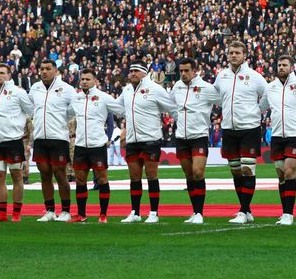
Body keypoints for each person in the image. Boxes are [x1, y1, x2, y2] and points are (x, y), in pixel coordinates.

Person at [213, 41, 269, 224]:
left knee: (247, 169)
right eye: (231, 52)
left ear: (245, 55)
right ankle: (247, 210)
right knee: (236, 171)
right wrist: (225, 108)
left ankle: (243, 211)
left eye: (237, 52)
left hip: (249, 128)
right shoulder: (222, 76)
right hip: (229, 128)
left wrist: (257, 110)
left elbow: (268, 94)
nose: (233, 55)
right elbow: (216, 96)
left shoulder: (254, 76)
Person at [115, 60, 177, 223]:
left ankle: (154, 212)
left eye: (136, 70)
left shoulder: (155, 89)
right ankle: (135, 212)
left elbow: (171, 107)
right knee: (134, 177)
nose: (132, 74)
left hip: (150, 139)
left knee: (151, 175)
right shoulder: (127, 90)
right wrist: (124, 128)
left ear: (144, 72)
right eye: (131, 71)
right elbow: (118, 108)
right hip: (132, 140)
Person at [261, 55, 296, 225]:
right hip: (277, 135)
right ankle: (284, 211)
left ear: (292, 67)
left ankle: (288, 214)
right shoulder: (270, 87)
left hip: (295, 135)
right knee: (280, 174)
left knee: (289, 171)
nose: (281, 67)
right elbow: (261, 107)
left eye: (285, 65)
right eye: (279, 65)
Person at [68, 68, 123, 223]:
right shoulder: (76, 98)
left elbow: (120, 110)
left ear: (95, 81)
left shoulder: (104, 97)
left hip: (97, 145)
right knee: (80, 180)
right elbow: (66, 114)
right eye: (82, 79)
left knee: (102, 179)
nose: (84, 81)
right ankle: (81, 214)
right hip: (80, 145)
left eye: (88, 79)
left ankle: (103, 214)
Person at [171, 58, 220, 224]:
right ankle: (194, 211)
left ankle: (199, 213)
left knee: (198, 172)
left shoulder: (206, 87)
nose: (183, 74)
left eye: (186, 70)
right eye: (181, 71)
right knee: (189, 174)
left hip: (199, 136)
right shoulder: (177, 87)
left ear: (194, 71)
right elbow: (171, 105)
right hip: (181, 137)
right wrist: (177, 117)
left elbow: (223, 101)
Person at [29, 59, 77, 222]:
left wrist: (61, 119)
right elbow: (30, 107)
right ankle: (50, 210)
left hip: (58, 137)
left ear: (56, 71)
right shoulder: (35, 88)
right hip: (40, 136)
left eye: (48, 68)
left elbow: (73, 109)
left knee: (60, 173)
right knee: (44, 174)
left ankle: (66, 211)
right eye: (42, 69)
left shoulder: (67, 89)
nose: (44, 71)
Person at [0, 63, 34, 222]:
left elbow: (31, 111)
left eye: (2, 73)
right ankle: (1, 213)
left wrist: (20, 127)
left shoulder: (18, 92)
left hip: (13, 141)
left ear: (9, 75)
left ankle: (16, 213)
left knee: (16, 176)